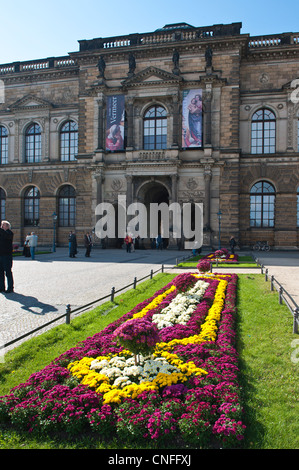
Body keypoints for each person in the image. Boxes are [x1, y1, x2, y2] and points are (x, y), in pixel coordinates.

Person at [0, 220, 14, 293]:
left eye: (3, 225)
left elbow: (5, 235)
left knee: (8, 272)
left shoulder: (10, 233)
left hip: (7, 256)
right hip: (0, 255)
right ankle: (1, 287)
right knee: (0, 272)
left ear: (7, 226)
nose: (2, 226)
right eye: (1, 225)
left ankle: (10, 288)